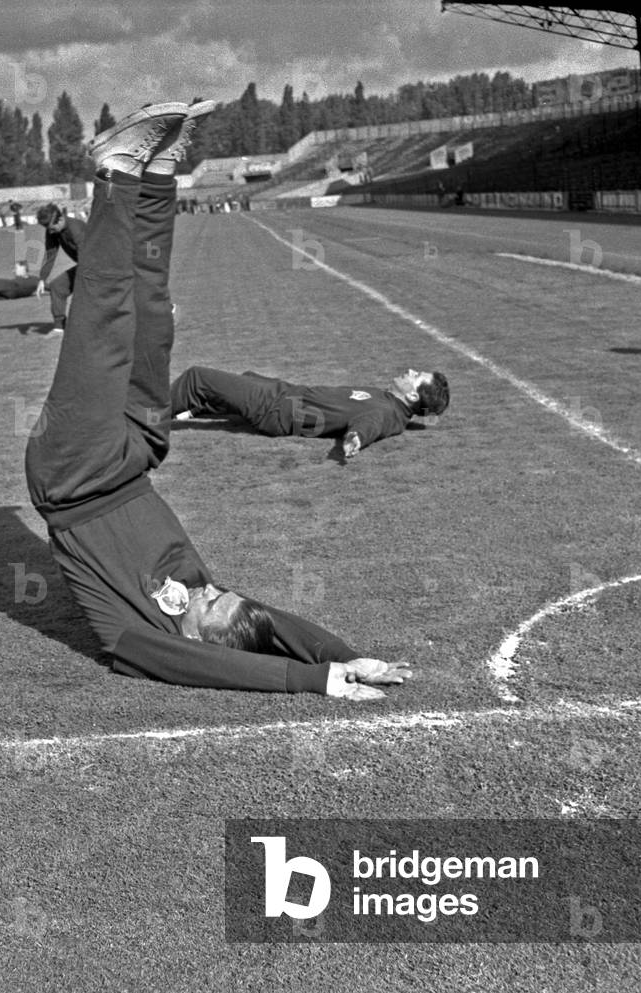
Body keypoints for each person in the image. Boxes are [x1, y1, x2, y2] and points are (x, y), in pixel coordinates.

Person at [24, 100, 410, 699]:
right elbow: (272, 624)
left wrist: (310, 683)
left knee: (105, 317)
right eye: (220, 592)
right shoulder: (205, 597)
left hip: (73, 472)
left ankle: (115, 173)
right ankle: (157, 179)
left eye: (210, 604)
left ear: (197, 638)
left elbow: (214, 667)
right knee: (151, 313)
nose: (207, 588)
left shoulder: (138, 636)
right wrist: (344, 658)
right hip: (138, 454)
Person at [170, 366, 450, 459]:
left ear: (412, 395)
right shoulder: (390, 402)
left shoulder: (387, 412)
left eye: (416, 376)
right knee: (246, 377)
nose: (410, 371)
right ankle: (195, 409)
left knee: (197, 378)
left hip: (275, 407)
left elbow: (369, 425)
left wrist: (355, 440)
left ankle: (141, 414)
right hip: (285, 393)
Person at [35, 202, 86, 331]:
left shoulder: (76, 229)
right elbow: (51, 255)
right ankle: (59, 327)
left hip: (99, 266)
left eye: (51, 227)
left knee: (85, 292)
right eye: (46, 228)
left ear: (61, 219)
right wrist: (42, 279)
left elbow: (86, 258)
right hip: (83, 265)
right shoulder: (52, 231)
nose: (49, 231)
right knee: (57, 285)